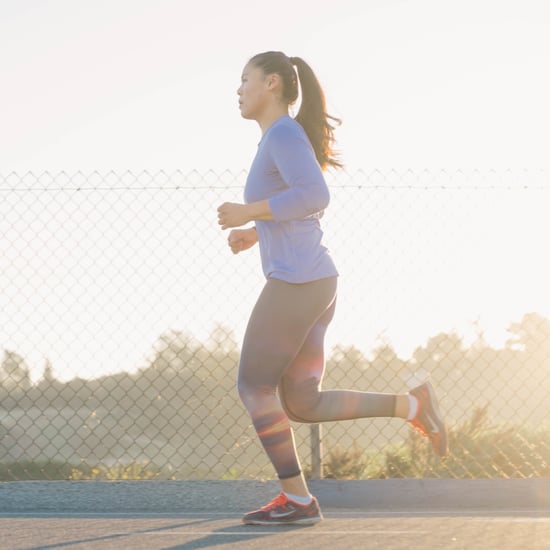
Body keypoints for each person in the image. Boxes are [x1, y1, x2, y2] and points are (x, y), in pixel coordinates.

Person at [217, 51, 447, 526]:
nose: (238, 90)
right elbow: (300, 206)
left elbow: (316, 195)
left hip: (299, 283)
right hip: (315, 281)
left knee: (254, 385)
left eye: (245, 80)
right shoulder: (278, 138)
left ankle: (298, 501)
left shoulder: (281, 133)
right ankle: (414, 405)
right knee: (302, 402)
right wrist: (255, 232)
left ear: (273, 83)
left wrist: (249, 212)